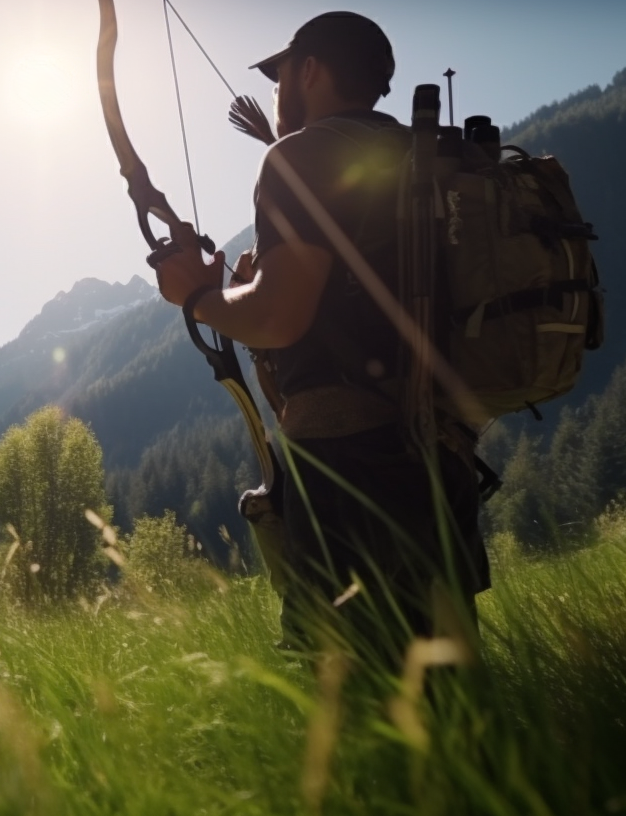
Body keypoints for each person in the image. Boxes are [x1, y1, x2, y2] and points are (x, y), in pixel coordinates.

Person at [153, 12, 489, 663]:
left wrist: (197, 295)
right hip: (441, 452)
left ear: (308, 71)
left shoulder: (299, 154)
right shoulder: (422, 153)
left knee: (344, 691)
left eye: (280, 77)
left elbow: (279, 317)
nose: (277, 93)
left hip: (348, 466)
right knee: (452, 684)